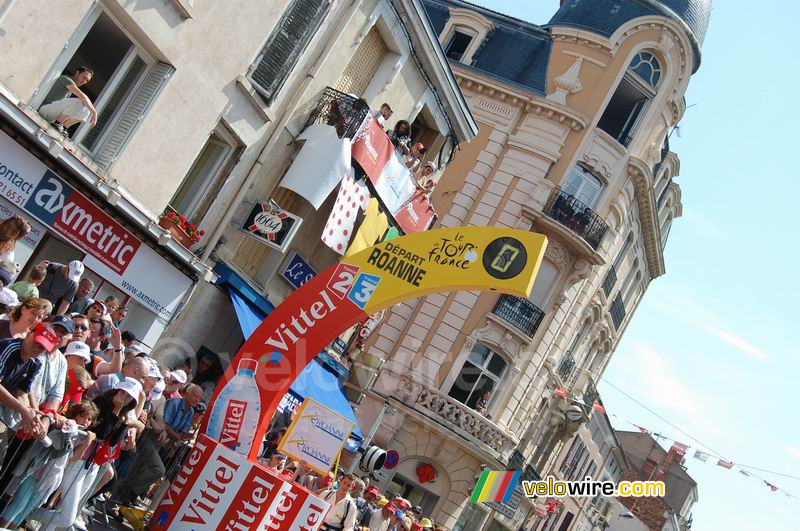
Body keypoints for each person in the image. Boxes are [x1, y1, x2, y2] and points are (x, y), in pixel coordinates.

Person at [29, 378, 140, 530]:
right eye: (122, 391)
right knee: (67, 518)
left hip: (92, 466)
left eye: (128, 396)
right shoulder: (102, 403)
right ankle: (28, 513)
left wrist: (125, 423)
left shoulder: (122, 413)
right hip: (79, 461)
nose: (123, 397)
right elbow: (100, 434)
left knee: (66, 510)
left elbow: (112, 442)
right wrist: (115, 410)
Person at [0, 400, 99, 529]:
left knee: (27, 508)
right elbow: (53, 419)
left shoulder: (81, 436)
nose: (85, 421)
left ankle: (11, 528)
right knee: (19, 503)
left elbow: (73, 458)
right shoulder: (64, 423)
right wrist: (63, 424)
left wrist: (87, 443)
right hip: (37, 471)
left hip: (51, 477)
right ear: (75, 414)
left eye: (89, 419)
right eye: (82, 415)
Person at [115, 384, 204, 507]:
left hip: (161, 445)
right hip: (150, 437)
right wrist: (177, 435)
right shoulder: (174, 403)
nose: (197, 400)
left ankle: (124, 498)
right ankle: (126, 492)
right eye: (195, 396)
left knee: (139, 471)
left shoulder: (191, 412)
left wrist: (178, 435)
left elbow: (182, 433)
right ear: (187, 393)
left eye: (200, 398)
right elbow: (165, 426)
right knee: (157, 469)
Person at [0, 322, 60, 467]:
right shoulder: (8, 347)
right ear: (28, 334)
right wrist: (23, 410)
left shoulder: (35, 363)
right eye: (36, 342)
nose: (37, 348)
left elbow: (22, 393)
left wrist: (34, 416)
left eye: (42, 347)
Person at [37, 67, 98, 135]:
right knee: (81, 101)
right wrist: (94, 112)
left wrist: (91, 111)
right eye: (84, 77)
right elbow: (83, 97)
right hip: (44, 109)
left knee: (87, 108)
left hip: (51, 116)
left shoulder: (70, 90)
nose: (84, 82)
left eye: (87, 80)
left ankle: (64, 127)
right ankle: (58, 123)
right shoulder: (66, 79)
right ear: (77, 73)